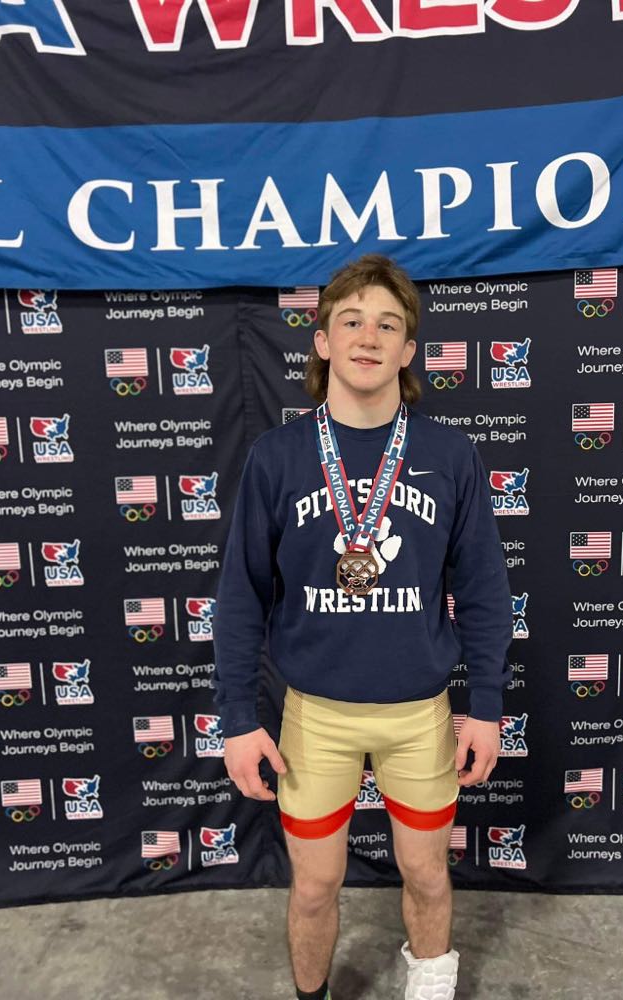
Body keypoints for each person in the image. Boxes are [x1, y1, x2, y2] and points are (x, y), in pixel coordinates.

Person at [212, 254, 513, 1000]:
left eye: (387, 324)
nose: (368, 337)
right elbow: (242, 595)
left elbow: (483, 589)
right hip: (315, 716)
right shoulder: (278, 457)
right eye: (350, 321)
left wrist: (487, 706)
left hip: (419, 715)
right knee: (315, 887)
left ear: (408, 350)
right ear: (323, 342)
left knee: (427, 874)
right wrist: (238, 718)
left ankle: (430, 989)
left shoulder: (450, 455)